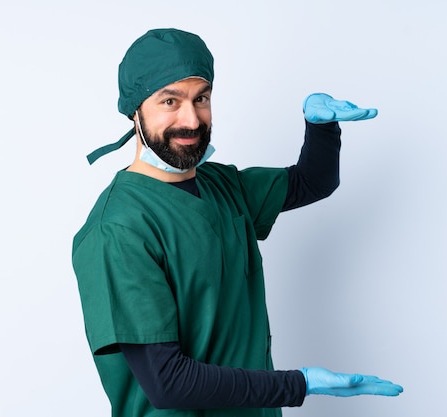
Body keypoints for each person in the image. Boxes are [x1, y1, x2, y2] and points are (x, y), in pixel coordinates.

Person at [72, 28, 403, 417]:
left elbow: (311, 182)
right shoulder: (118, 230)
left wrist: (321, 126)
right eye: (169, 101)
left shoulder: (221, 186)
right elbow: (168, 384)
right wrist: (300, 383)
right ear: (135, 110)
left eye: (201, 98)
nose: (191, 120)